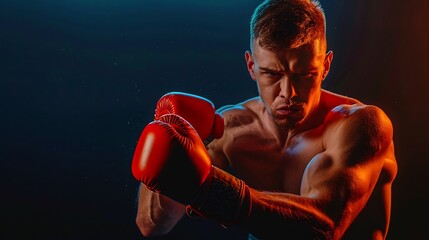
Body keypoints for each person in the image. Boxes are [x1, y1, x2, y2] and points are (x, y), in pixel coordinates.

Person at [131, 0, 398, 239]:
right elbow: (153, 225)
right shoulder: (229, 130)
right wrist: (167, 134)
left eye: (304, 75)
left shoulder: (361, 125)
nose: (288, 93)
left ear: (325, 66)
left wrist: (214, 193)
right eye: (272, 74)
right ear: (251, 67)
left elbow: (324, 229)